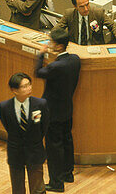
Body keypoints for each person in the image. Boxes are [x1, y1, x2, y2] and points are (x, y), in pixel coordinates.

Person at [34, 29, 80, 191]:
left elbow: (38, 72)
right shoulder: (75, 60)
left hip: (53, 112)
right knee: (67, 140)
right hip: (67, 108)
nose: (49, 44)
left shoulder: (55, 66)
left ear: (59, 46)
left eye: (51, 42)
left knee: (54, 147)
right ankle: (68, 173)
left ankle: (56, 182)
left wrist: (41, 55)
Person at [0, 72, 49, 194]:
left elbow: (44, 126)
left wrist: (35, 139)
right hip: (15, 152)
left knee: (37, 188)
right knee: (17, 189)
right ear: (14, 90)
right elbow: (8, 126)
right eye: (24, 86)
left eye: (29, 84)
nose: (29, 88)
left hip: (35, 151)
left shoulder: (40, 104)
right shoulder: (5, 107)